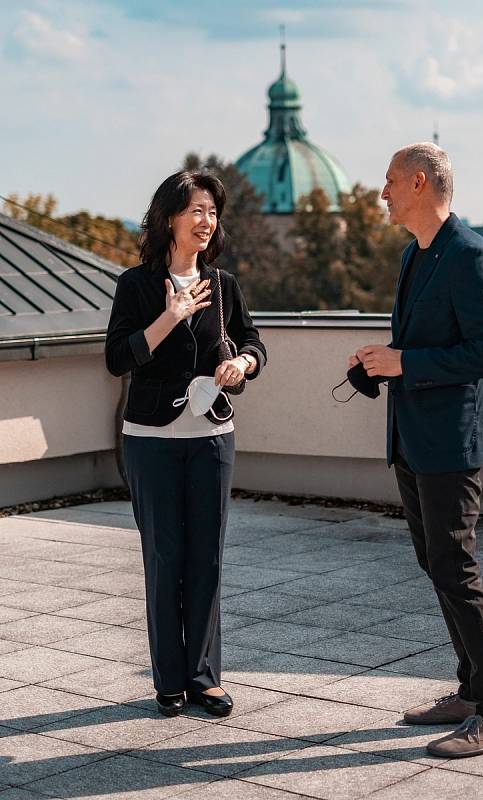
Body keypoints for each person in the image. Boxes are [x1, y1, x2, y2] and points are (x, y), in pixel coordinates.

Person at [349, 143, 483, 758]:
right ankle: (471, 689)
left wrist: (406, 361)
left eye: (390, 181)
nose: (383, 192)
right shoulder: (415, 254)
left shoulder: (469, 253)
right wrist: (380, 366)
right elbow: (420, 344)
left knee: (455, 564)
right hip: (413, 438)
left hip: (451, 441)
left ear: (419, 183)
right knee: (435, 561)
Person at [105, 169, 266, 718]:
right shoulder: (137, 285)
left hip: (212, 437)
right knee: (165, 556)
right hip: (150, 438)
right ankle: (168, 680)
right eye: (196, 210)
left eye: (213, 213)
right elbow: (116, 359)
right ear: (169, 218)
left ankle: (204, 677)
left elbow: (253, 343)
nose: (206, 221)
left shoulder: (224, 286)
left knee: (207, 558)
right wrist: (168, 318)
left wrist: (241, 364)